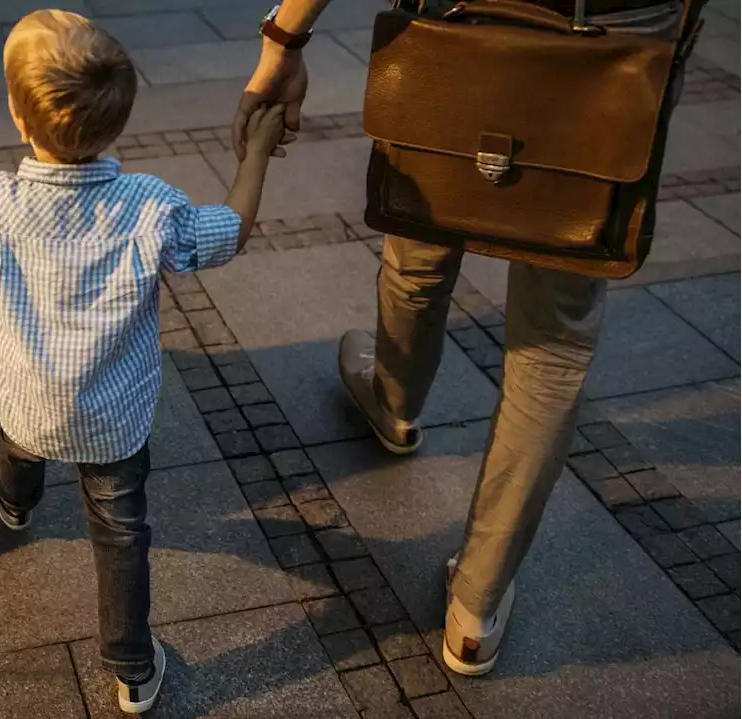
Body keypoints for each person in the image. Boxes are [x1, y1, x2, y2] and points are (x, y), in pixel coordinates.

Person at [236, 0, 680, 676]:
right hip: (618, 27)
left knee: (420, 239)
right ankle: (474, 610)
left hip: (458, 13)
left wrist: (284, 35)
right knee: (554, 344)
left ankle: (394, 404)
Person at [0, 10, 287, 713]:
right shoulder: (150, 207)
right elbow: (230, 233)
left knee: (19, 441)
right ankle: (131, 665)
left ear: (16, 116)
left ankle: (14, 499)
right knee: (121, 529)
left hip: (26, 398)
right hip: (114, 416)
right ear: (119, 121)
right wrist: (255, 154)